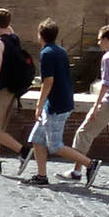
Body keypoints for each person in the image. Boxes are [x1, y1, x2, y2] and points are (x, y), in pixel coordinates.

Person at [25, 20, 91, 187]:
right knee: (37, 139)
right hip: (61, 100)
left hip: (56, 105)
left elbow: (48, 81)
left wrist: (39, 105)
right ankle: (41, 176)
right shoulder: (61, 51)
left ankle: (90, 164)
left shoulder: (46, 53)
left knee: (55, 146)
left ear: (40, 35)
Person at [67, 23, 109, 186]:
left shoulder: (108, 57)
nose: (98, 43)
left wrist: (96, 107)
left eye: (99, 39)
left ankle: (77, 171)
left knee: (84, 132)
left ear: (105, 39)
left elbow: (106, 83)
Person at [0, 7, 34, 172]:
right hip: (13, 89)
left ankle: (23, 151)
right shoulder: (14, 38)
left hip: (2, 89)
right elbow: (9, 29)